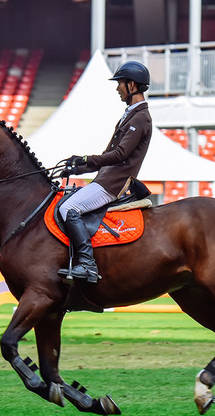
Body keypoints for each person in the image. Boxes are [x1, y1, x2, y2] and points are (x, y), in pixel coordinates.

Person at [56, 61, 153, 283]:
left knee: (69, 207)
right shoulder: (130, 115)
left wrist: (87, 159)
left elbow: (119, 155)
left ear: (131, 85)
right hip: (106, 178)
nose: (117, 88)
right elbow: (108, 155)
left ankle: (88, 265)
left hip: (113, 183)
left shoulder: (140, 118)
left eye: (120, 84)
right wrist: (78, 165)